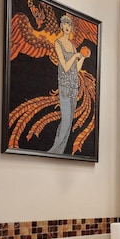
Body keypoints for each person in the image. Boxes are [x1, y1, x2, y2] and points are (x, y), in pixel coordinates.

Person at [48, 14, 89, 154]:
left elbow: (75, 69)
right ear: (61, 26)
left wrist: (81, 57)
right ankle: (54, 150)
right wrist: (75, 56)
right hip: (65, 85)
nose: (67, 27)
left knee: (69, 120)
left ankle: (59, 151)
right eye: (65, 24)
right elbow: (65, 67)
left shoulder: (71, 45)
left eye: (69, 25)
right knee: (65, 120)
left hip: (73, 86)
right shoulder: (58, 43)